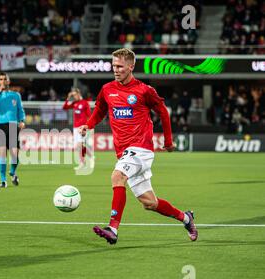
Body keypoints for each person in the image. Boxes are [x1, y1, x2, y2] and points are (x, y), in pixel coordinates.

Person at [79, 48, 198, 245]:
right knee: (149, 203)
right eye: (113, 65)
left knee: (117, 176)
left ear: (131, 67)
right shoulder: (107, 89)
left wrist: (168, 142)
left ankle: (113, 228)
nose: (115, 70)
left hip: (140, 148)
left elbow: (163, 112)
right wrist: (88, 125)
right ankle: (186, 218)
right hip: (124, 152)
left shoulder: (144, 90)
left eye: (120, 66)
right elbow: (100, 109)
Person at [0, 72, 26, 188]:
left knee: (15, 154)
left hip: (13, 125)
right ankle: (3, 180)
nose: (3, 81)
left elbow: (20, 109)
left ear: (8, 81)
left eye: (5, 79)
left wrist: (22, 120)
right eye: (1, 79)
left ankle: (13, 172)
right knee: (2, 153)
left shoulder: (16, 95)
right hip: (0, 125)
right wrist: (0, 93)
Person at [62, 87, 93, 170]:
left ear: (79, 94)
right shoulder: (74, 103)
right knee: (80, 146)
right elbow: (64, 107)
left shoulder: (85, 103)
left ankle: (82, 163)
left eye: (75, 95)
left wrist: (87, 127)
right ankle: (91, 156)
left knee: (78, 145)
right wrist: (68, 97)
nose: (74, 97)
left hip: (82, 128)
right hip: (75, 128)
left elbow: (89, 115)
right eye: (73, 95)